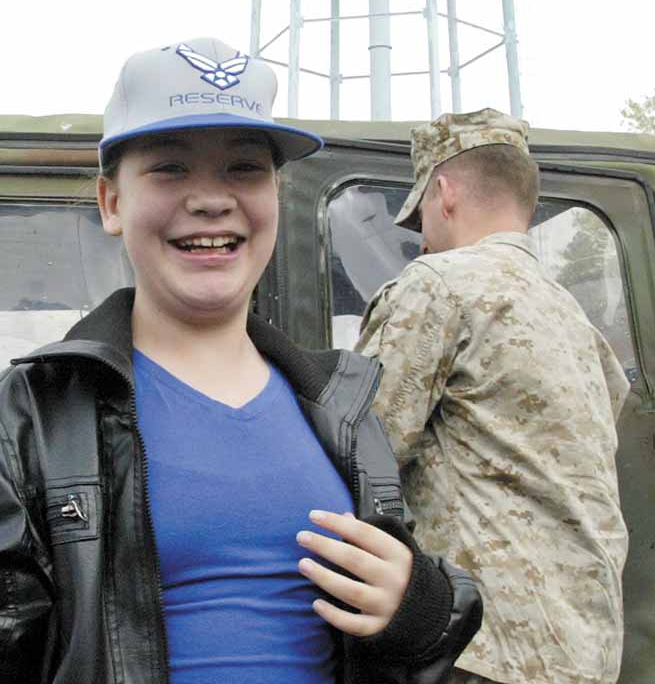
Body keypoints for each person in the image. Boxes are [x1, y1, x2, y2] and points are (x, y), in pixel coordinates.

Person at [0, 38, 481, 684]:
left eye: (244, 169)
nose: (211, 199)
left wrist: (419, 613)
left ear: (276, 194)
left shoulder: (343, 407)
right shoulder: (34, 413)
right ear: (111, 203)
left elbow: (397, 644)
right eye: (170, 168)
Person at [355, 108, 630, 684]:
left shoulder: (437, 284)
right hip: (587, 648)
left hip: (484, 647)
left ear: (444, 192)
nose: (422, 238)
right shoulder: (577, 319)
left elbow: (362, 444)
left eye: (420, 215)